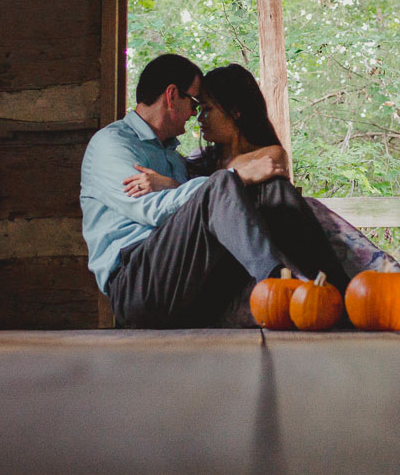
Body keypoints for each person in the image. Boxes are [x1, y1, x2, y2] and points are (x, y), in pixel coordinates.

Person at [125, 62, 400, 326]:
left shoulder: (268, 155)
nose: (198, 118)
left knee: (288, 199)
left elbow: (267, 165)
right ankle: (342, 291)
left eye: (207, 109)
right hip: (227, 276)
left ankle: (392, 298)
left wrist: (180, 184)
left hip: (279, 268)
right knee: (299, 204)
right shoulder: (196, 166)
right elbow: (204, 204)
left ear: (234, 111)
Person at [79, 53, 351, 328]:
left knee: (272, 190)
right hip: (138, 286)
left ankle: (340, 294)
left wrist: (177, 184)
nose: (195, 114)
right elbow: (153, 210)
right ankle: (277, 284)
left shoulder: (173, 157)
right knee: (224, 182)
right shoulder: (112, 144)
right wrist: (234, 177)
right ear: (172, 96)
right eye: (195, 103)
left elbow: (194, 210)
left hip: (191, 287)